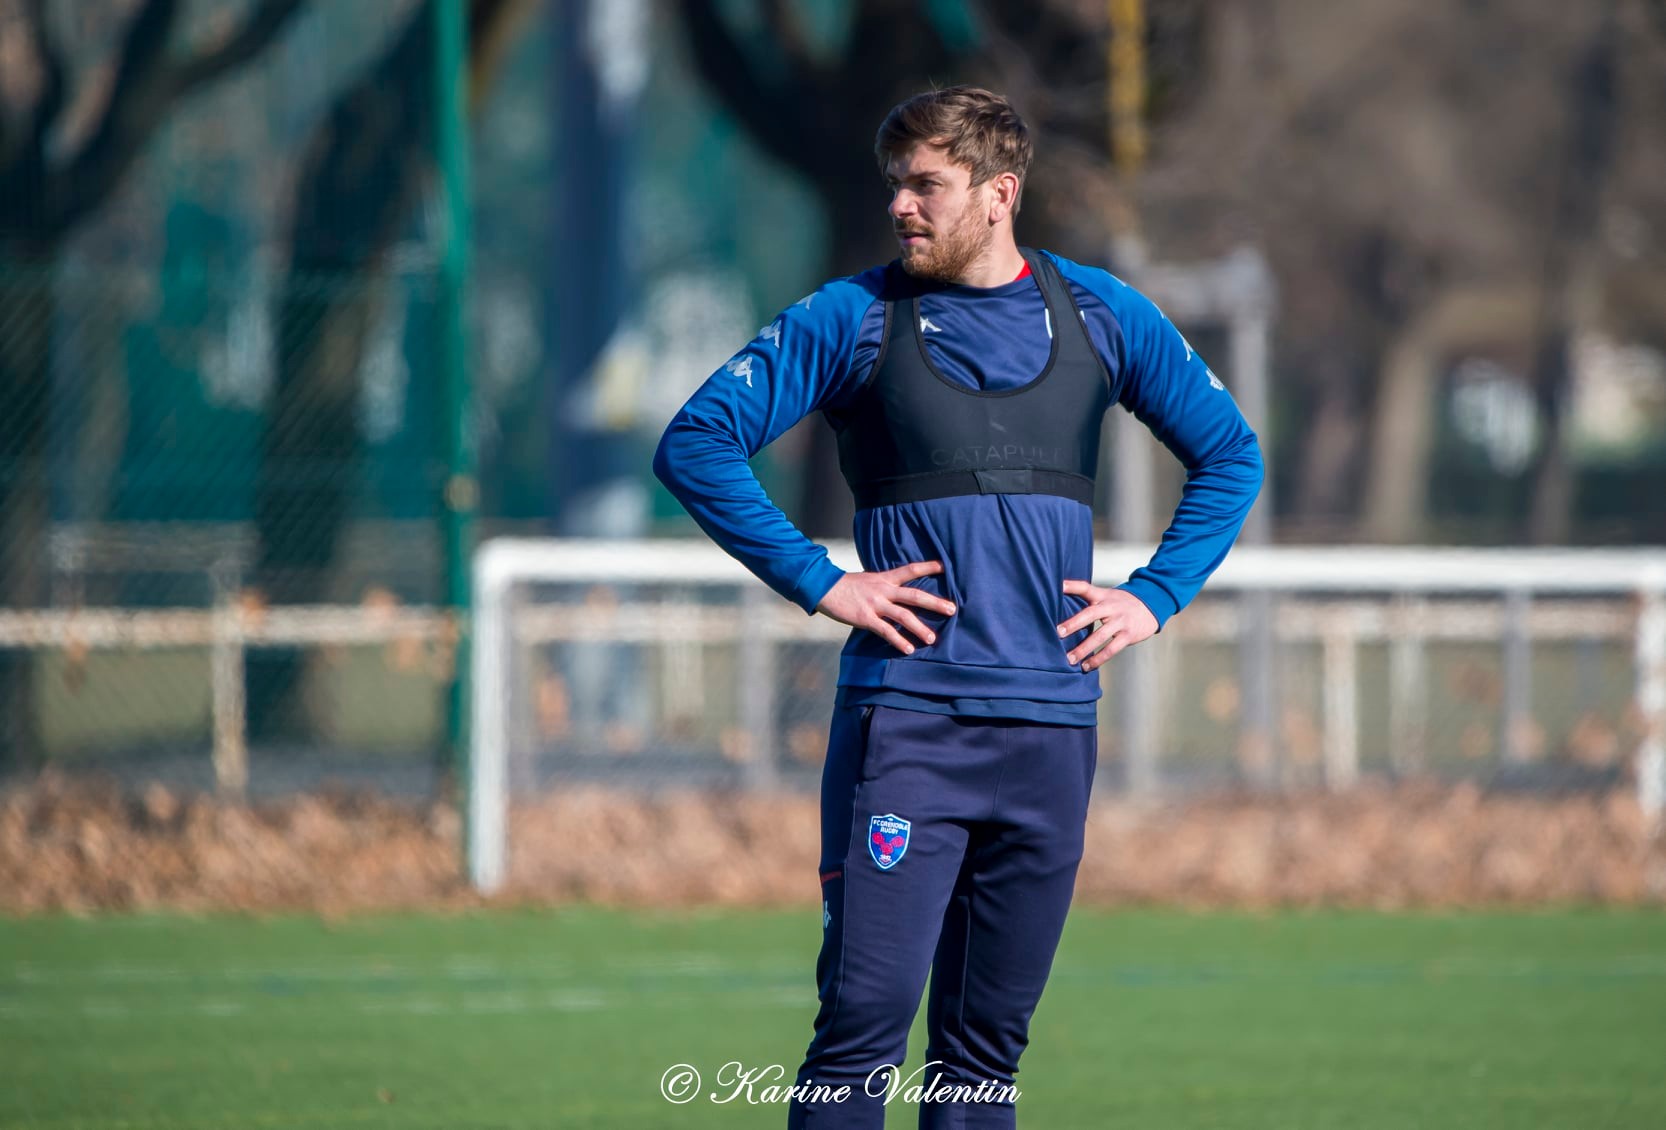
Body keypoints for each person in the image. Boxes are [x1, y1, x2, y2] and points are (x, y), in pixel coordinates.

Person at [654, 86, 1262, 1129]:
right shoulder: (848, 319)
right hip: (907, 725)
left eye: (926, 184)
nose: (900, 204)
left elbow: (1229, 451)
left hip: (1049, 732)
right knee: (861, 1023)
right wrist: (821, 577)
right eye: (894, 183)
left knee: (983, 1053)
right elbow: (696, 442)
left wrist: (1155, 595)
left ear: (997, 194)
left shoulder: (1102, 315)